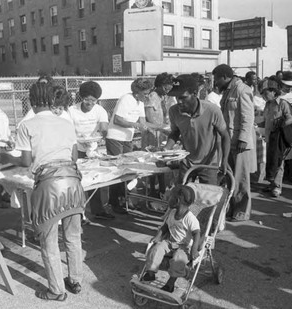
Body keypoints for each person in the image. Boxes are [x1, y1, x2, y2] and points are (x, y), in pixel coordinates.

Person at [0, 83, 85, 301]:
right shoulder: (65, 123)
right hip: (73, 182)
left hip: (49, 186)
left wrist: (6, 157)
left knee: (49, 241)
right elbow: (74, 157)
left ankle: (56, 291)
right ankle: (75, 280)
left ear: (32, 101)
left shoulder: (27, 125)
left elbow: (26, 161)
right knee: (73, 236)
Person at [165, 74, 230, 184]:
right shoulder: (174, 111)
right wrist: (166, 149)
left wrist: (224, 161)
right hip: (187, 162)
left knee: (208, 196)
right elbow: (175, 132)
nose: (179, 101)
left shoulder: (212, 111)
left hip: (208, 164)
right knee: (183, 195)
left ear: (194, 94)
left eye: (183, 97)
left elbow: (225, 136)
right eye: (176, 98)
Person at [213, 64, 255, 222]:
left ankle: (242, 211)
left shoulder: (242, 90)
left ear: (224, 76)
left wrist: (243, 139)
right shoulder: (228, 91)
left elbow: (247, 116)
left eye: (217, 78)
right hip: (228, 141)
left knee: (241, 178)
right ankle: (231, 209)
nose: (216, 82)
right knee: (230, 177)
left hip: (239, 142)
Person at [105, 78, 153, 214]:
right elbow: (117, 119)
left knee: (129, 169)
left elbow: (143, 122)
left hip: (127, 138)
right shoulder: (126, 99)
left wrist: (158, 128)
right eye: (145, 93)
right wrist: (136, 125)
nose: (147, 96)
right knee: (117, 170)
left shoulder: (140, 103)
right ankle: (114, 202)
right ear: (137, 92)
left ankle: (126, 199)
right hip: (116, 137)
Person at [141, 185, 200, 293]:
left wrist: (194, 250)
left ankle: (170, 283)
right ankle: (150, 273)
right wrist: (158, 237)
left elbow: (197, 233)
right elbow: (166, 226)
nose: (167, 199)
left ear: (176, 200)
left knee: (178, 258)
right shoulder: (172, 213)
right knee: (156, 248)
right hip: (170, 242)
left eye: (170, 197)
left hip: (184, 246)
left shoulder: (190, 218)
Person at [68, 81, 114, 219]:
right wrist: (78, 138)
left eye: (93, 100)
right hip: (76, 148)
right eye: (87, 99)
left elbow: (104, 128)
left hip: (92, 148)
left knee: (94, 178)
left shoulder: (100, 110)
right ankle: (77, 213)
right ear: (81, 97)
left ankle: (97, 209)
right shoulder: (72, 110)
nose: (90, 103)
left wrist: (101, 135)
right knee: (76, 180)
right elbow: (68, 130)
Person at [261, 80, 292, 197]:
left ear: (273, 91)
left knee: (279, 161)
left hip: (279, 137)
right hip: (270, 137)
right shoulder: (268, 104)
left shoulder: (283, 103)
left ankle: (277, 187)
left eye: (265, 93)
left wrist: (280, 124)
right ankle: (271, 183)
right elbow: (265, 120)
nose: (263, 96)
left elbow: (291, 119)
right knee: (271, 160)